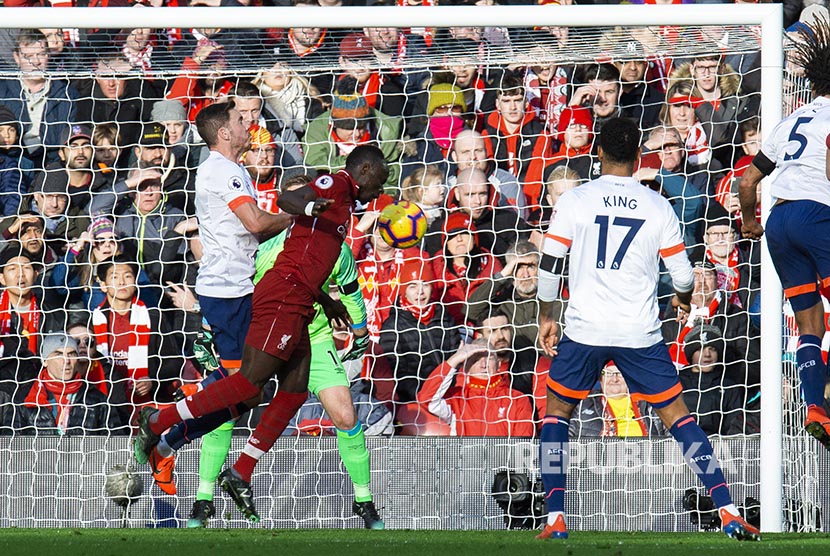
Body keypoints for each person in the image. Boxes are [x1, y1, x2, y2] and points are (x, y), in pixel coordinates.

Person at [133, 144, 388, 522]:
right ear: (365, 170)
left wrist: (328, 301)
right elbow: (289, 196)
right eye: (379, 182)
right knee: (249, 386)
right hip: (282, 297)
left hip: (302, 300)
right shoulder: (335, 183)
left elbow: (308, 255)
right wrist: (306, 205)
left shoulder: (347, 201)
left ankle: (240, 472)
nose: (379, 192)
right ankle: (158, 422)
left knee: (296, 389)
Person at [535, 117, 759, 541]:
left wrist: (548, 314)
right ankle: (728, 509)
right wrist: (679, 297)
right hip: (640, 331)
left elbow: (549, 268)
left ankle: (556, 518)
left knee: (558, 415)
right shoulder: (657, 204)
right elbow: (682, 272)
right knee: (678, 418)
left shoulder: (576, 200)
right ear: (640, 158)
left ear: (597, 154)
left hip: (586, 329)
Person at [132, 101, 292, 503]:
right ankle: (161, 426)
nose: (248, 123)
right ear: (224, 132)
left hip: (237, 287)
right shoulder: (221, 170)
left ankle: (166, 442)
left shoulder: (230, 169)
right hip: (228, 291)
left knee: (248, 392)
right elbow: (255, 224)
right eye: (241, 119)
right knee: (243, 387)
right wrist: (299, 213)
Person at [739, 17, 830, 453]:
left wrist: (749, 223)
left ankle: (815, 406)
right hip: (818, 217)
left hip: (778, 223)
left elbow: (746, 183)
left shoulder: (793, 119)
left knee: (810, 322)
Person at [417, 337, 536, 437]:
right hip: (465, 463)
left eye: (488, 358)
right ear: (466, 366)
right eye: (476, 359)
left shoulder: (517, 399)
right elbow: (426, 399)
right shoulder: (456, 399)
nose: (483, 365)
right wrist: (454, 360)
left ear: (499, 364)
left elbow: (523, 445)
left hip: (504, 463)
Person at [678, 323, 748, 436]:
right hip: (678, 446)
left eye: (713, 349)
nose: (707, 354)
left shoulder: (728, 386)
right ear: (691, 354)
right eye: (701, 349)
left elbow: (735, 426)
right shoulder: (676, 383)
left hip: (717, 447)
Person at [569, 362, 665, 437]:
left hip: (648, 459)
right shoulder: (582, 404)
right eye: (608, 373)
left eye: (620, 373)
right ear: (600, 378)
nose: (614, 379)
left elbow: (673, 435)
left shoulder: (651, 402)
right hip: (597, 460)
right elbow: (565, 438)